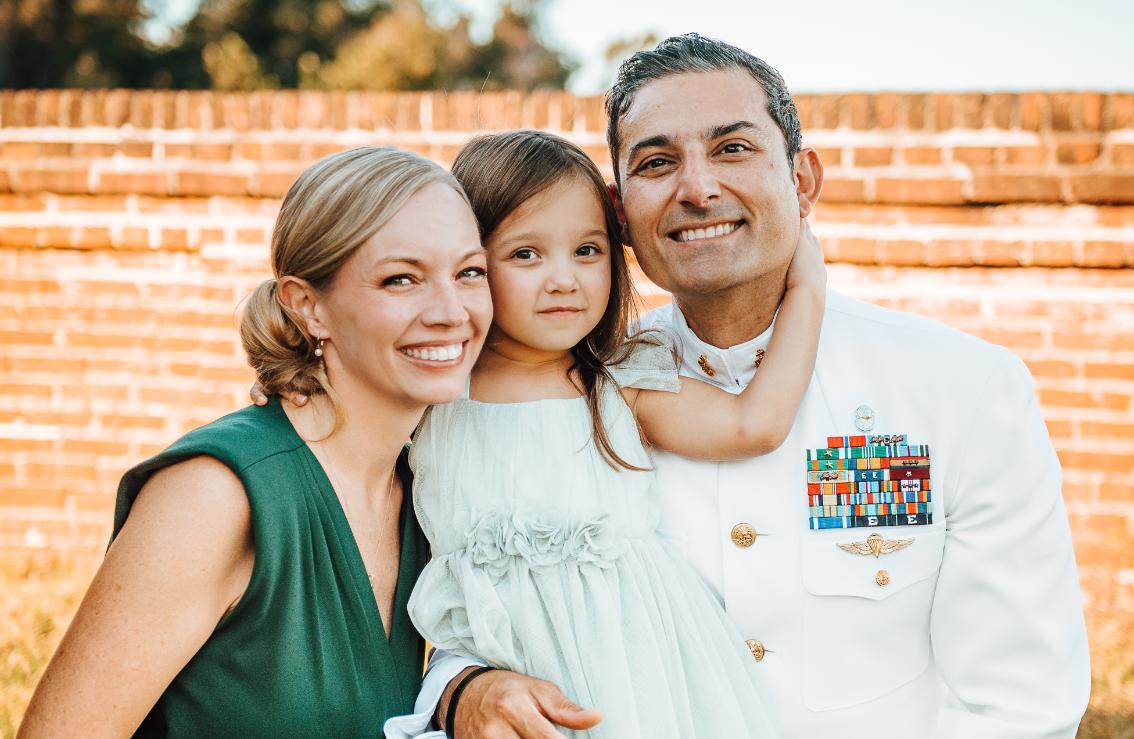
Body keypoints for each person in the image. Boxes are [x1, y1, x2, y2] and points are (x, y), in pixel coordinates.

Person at [405, 34, 1091, 739]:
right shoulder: (569, 388)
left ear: (803, 182)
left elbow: (1020, 705)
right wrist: (464, 689)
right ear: (621, 213)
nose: (698, 189)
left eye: (732, 148)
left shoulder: (961, 389)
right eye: (657, 162)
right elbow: (474, 597)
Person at [18, 147, 492, 737]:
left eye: (470, 273)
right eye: (402, 279)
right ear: (308, 306)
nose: (451, 311)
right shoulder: (214, 497)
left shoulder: (428, 492)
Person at [379, 127, 826, 738]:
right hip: (505, 690)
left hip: (641, 684)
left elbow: (755, 424)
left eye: (587, 250)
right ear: (469, 265)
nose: (564, 280)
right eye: (526, 255)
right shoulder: (430, 394)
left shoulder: (617, 384)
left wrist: (807, 289)